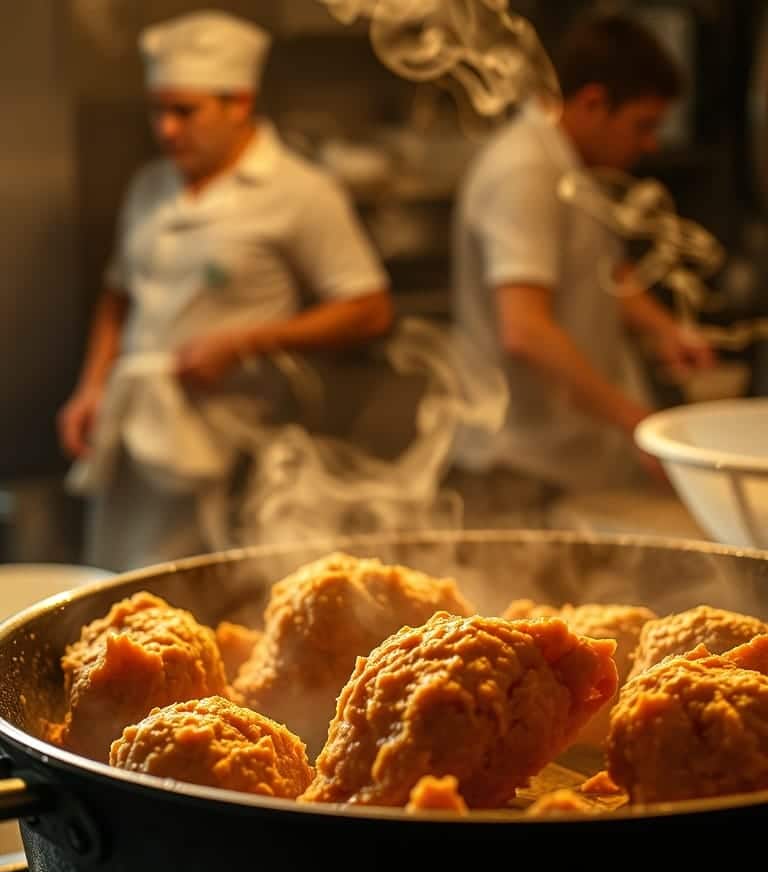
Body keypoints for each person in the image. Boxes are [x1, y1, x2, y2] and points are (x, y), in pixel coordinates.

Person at [57, 9, 393, 571]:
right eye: (158, 111)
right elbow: (118, 296)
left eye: (185, 112)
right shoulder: (151, 185)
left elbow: (367, 309)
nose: (166, 130)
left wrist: (242, 342)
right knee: (119, 579)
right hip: (136, 432)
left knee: (212, 590)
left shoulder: (300, 191)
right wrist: (91, 387)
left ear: (239, 102)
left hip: (232, 449)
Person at [448, 13, 715, 528]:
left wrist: (665, 329)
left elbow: (600, 272)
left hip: (568, 457)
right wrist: (639, 424)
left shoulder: (573, 165)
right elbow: (525, 330)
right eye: (643, 124)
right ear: (593, 103)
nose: (651, 143)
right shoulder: (525, 170)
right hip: (520, 467)